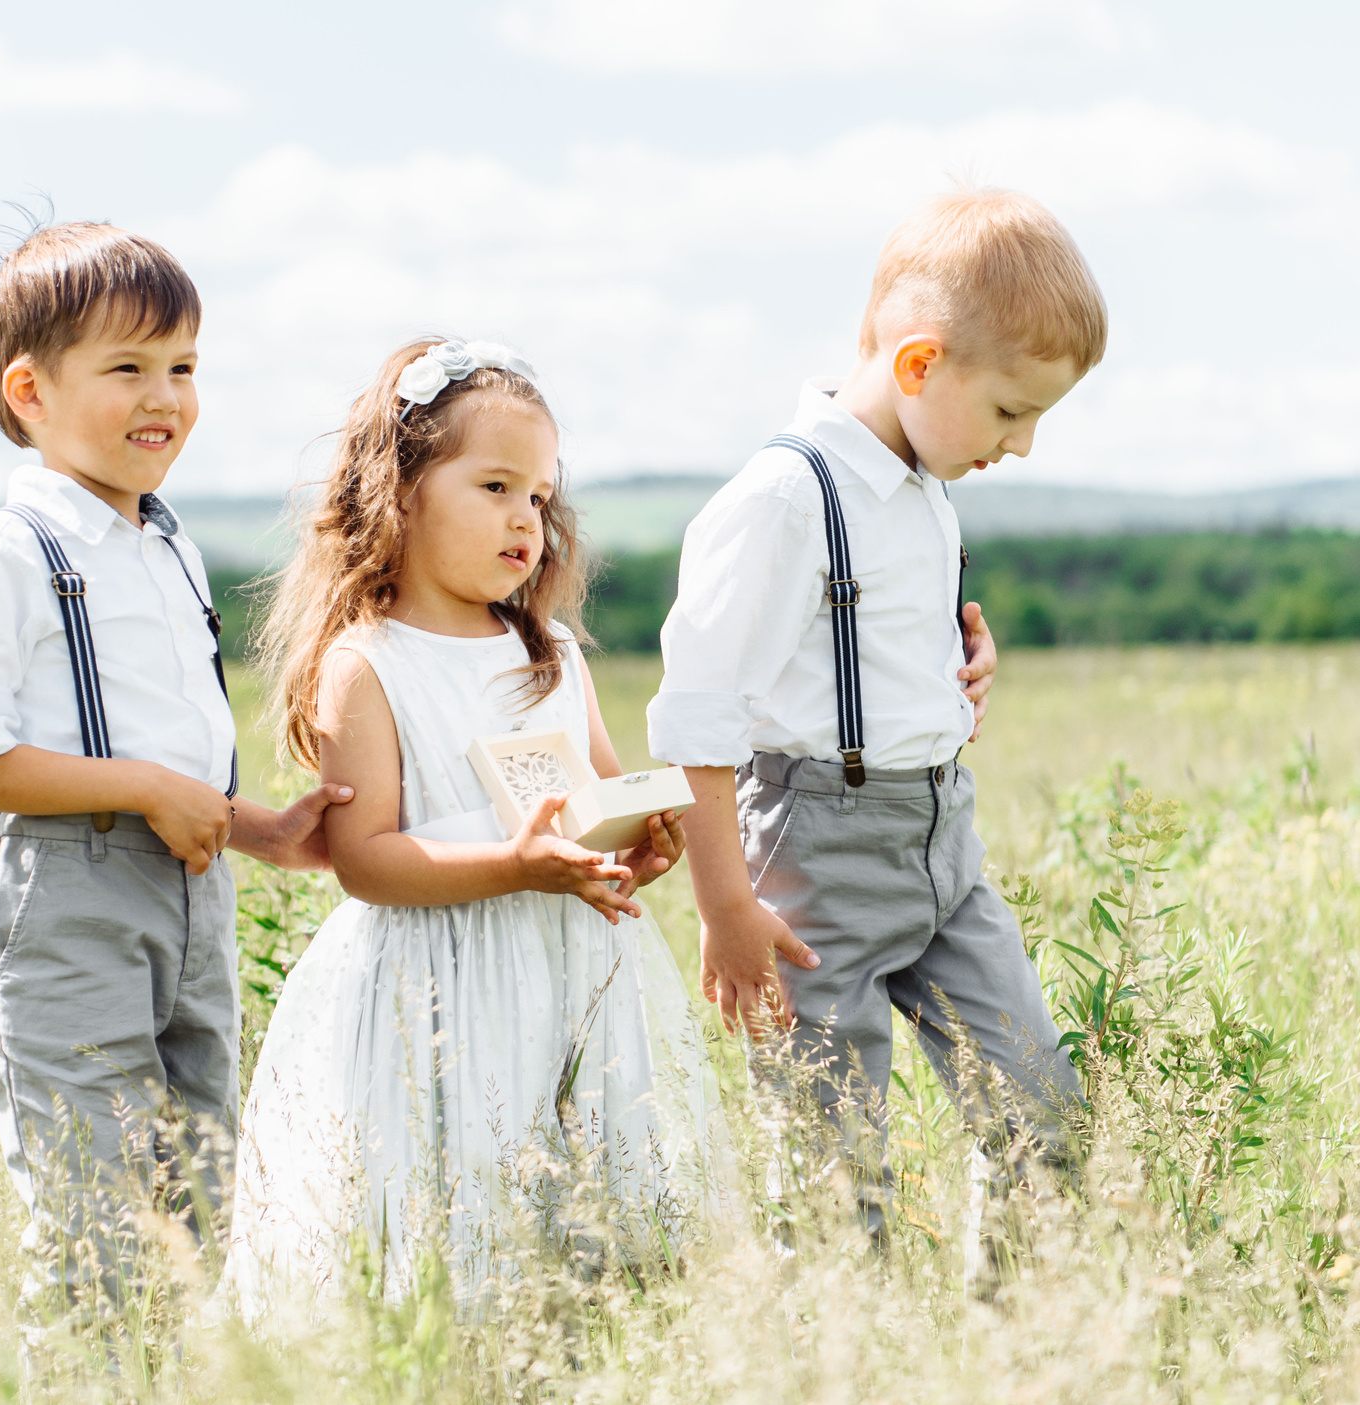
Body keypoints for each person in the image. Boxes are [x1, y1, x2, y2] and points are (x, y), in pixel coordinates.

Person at [0, 220, 351, 1315]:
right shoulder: (10, 553)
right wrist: (144, 790)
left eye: (184, 367)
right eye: (128, 368)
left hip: (191, 902)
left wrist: (261, 828)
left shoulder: (165, 542)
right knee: (96, 1224)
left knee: (201, 1210)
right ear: (30, 391)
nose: (166, 395)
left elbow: (167, 752)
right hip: (68, 905)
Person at [228, 337, 725, 1312]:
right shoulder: (367, 663)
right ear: (400, 492)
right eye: (495, 485)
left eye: (539, 497)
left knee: (575, 1212)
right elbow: (365, 859)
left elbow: (598, 797)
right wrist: (513, 862)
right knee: (452, 1211)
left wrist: (633, 845)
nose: (524, 520)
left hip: (563, 968)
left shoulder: (552, 655)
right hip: (438, 982)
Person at [649, 187, 1102, 1232]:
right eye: (1009, 411)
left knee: (1041, 1112)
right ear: (917, 365)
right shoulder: (781, 497)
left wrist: (958, 662)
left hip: (943, 845)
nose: (1022, 444)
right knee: (831, 1164)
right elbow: (699, 716)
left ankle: (1023, 1345)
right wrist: (724, 904)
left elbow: (874, 643)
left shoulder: (926, 484)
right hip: (815, 857)